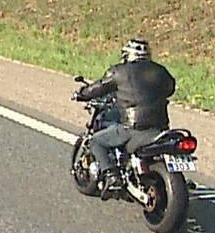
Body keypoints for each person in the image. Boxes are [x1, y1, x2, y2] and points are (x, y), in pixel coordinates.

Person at [75, 38, 176, 193]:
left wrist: (82, 93)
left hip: (133, 127)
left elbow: (99, 87)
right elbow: (170, 89)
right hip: (160, 127)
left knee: (96, 141)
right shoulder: (161, 71)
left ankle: (111, 175)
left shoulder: (119, 71)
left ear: (127, 55)